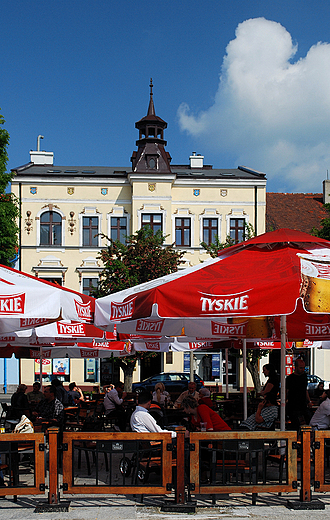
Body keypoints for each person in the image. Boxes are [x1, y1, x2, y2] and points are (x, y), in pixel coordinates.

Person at [286, 358, 312, 431]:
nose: (303, 369)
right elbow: (286, 391)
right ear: (296, 367)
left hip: (303, 404)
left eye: (304, 368)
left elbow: (305, 390)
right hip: (293, 405)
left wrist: (309, 401)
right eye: (301, 368)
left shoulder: (304, 377)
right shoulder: (290, 378)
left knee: (308, 420)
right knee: (295, 424)